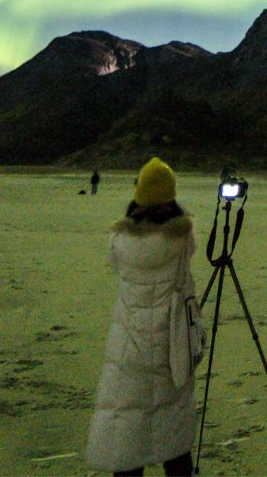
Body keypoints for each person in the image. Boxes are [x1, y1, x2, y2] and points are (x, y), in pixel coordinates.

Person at [85, 158, 198, 476]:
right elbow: (191, 244)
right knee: (173, 435)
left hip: (129, 348)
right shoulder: (180, 240)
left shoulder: (119, 241)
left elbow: (116, 264)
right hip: (169, 347)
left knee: (128, 437)